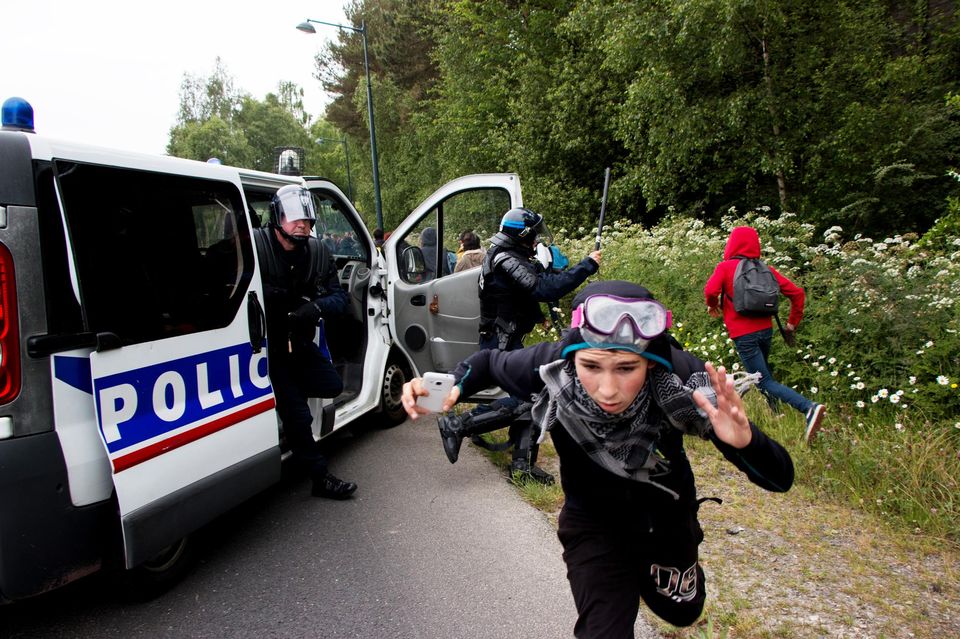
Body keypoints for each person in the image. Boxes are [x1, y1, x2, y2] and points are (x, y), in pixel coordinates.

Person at [401, 280, 794, 636]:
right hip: (592, 523)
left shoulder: (682, 377)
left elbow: (781, 479)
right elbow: (488, 364)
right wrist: (451, 383)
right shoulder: (552, 364)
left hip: (667, 522)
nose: (608, 390)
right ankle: (618, 579)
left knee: (683, 614)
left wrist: (745, 442)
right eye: (591, 366)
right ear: (574, 357)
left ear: (651, 362)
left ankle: (657, 577)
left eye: (627, 368)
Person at [438, 207, 601, 480]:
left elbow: (526, 289)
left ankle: (520, 466)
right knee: (532, 395)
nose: (536, 240)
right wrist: (587, 265)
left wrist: (538, 317)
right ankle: (460, 425)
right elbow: (543, 288)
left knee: (532, 394)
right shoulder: (505, 259)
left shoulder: (511, 255)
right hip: (500, 341)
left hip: (505, 337)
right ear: (522, 235)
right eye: (533, 234)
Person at [254, 184, 357, 499]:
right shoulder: (255, 246)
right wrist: (276, 298)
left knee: (332, 385)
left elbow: (341, 299)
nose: (302, 224)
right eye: (295, 218)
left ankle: (288, 406)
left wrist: (314, 307)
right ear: (278, 218)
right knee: (298, 413)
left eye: (307, 219)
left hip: (298, 342)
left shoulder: (318, 252)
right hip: (266, 347)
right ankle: (319, 477)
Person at [703, 225, 825, 443]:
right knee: (764, 373)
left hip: (744, 334)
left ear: (731, 244)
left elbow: (710, 290)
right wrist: (791, 324)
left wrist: (713, 305)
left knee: (763, 380)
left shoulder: (725, 267)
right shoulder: (765, 269)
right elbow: (797, 293)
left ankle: (809, 408)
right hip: (765, 332)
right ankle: (776, 414)